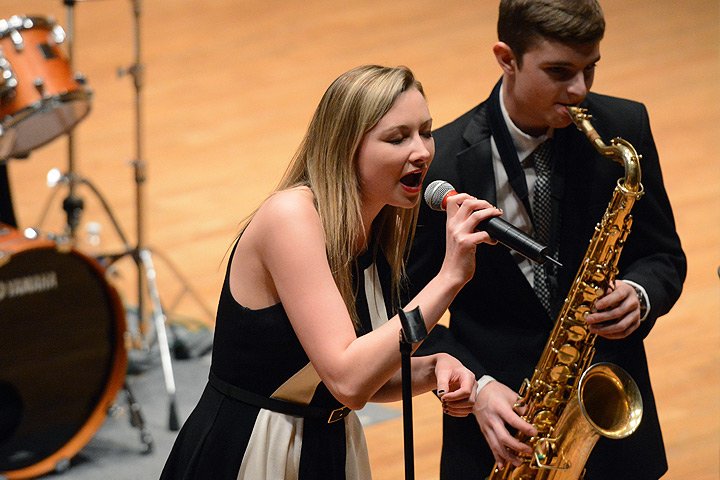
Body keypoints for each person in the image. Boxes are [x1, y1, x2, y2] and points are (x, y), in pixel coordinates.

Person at [160, 64, 504, 480]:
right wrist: (450, 277)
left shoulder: (379, 227)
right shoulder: (291, 217)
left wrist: (433, 369)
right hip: (251, 448)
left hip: (328, 442)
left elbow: (355, 377)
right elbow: (348, 380)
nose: (423, 152)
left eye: (426, 132)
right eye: (397, 138)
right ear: (346, 147)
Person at [406, 1, 687, 479]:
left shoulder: (624, 129)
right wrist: (477, 387)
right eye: (559, 71)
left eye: (589, 69)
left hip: (609, 423)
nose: (579, 90)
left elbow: (663, 255)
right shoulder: (443, 163)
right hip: (498, 428)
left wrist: (640, 294)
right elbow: (406, 308)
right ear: (505, 57)